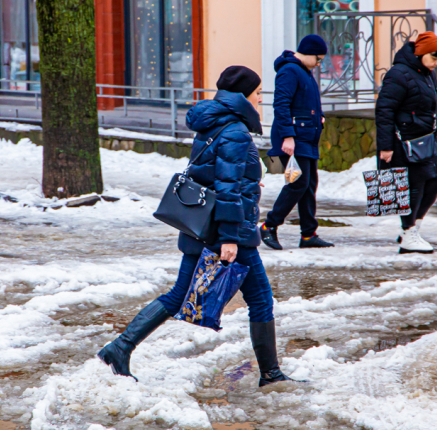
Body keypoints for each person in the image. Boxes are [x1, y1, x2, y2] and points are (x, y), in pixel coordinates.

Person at [98, 66, 299, 387]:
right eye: (258, 92)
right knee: (261, 300)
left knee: (179, 294)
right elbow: (230, 188)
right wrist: (231, 238)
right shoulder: (234, 131)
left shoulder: (214, 124)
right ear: (244, 95)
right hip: (229, 234)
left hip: (204, 229)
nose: (261, 98)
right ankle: (271, 374)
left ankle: (120, 348)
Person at [375, 32, 437, 254]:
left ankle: (412, 227)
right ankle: (408, 234)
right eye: (434, 58)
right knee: (413, 188)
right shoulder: (398, 75)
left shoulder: (427, 74)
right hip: (405, 143)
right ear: (421, 54)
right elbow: (384, 110)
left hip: (428, 140)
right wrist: (385, 146)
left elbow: (433, 108)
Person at [260, 35, 334, 251]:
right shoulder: (289, 71)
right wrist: (287, 136)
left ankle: (309, 235)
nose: (319, 64)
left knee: (309, 186)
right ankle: (268, 225)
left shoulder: (305, 72)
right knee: (298, 184)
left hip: (307, 138)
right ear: (309, 53)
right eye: (318, 59)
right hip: (295, 139)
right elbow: (281, 105)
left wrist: (317, 117)